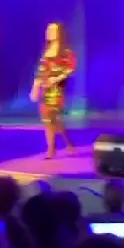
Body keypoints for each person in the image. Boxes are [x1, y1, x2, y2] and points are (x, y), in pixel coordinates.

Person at [30, 22, 76, 158]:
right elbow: (41, 72)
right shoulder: (46, 53)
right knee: (47, 119)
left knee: (52, 116)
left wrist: (56, 79)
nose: (49, 32)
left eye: (52, 30)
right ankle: (56, 146)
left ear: (59, 33)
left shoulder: (65, 52)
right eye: (48, 30)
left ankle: (56, 147)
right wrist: (35, 87)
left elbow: (70, 69)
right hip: (45, 89)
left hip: (57, 90)